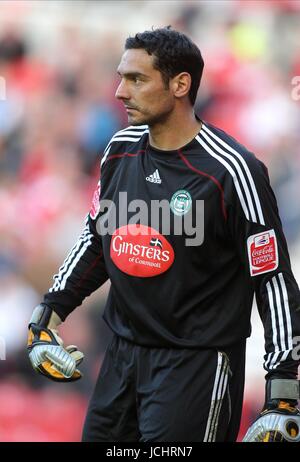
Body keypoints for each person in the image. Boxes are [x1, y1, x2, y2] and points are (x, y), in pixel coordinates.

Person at [27, 27, 300, 442]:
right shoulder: (118, 150)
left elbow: (273, 278)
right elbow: (98, 240)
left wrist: (282, 393)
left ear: (180, 84)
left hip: (196, 368)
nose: (120, 91)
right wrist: (47, 316)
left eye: (136, 79)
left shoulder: (233, 171)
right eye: (121, 77)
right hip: (120, 360)